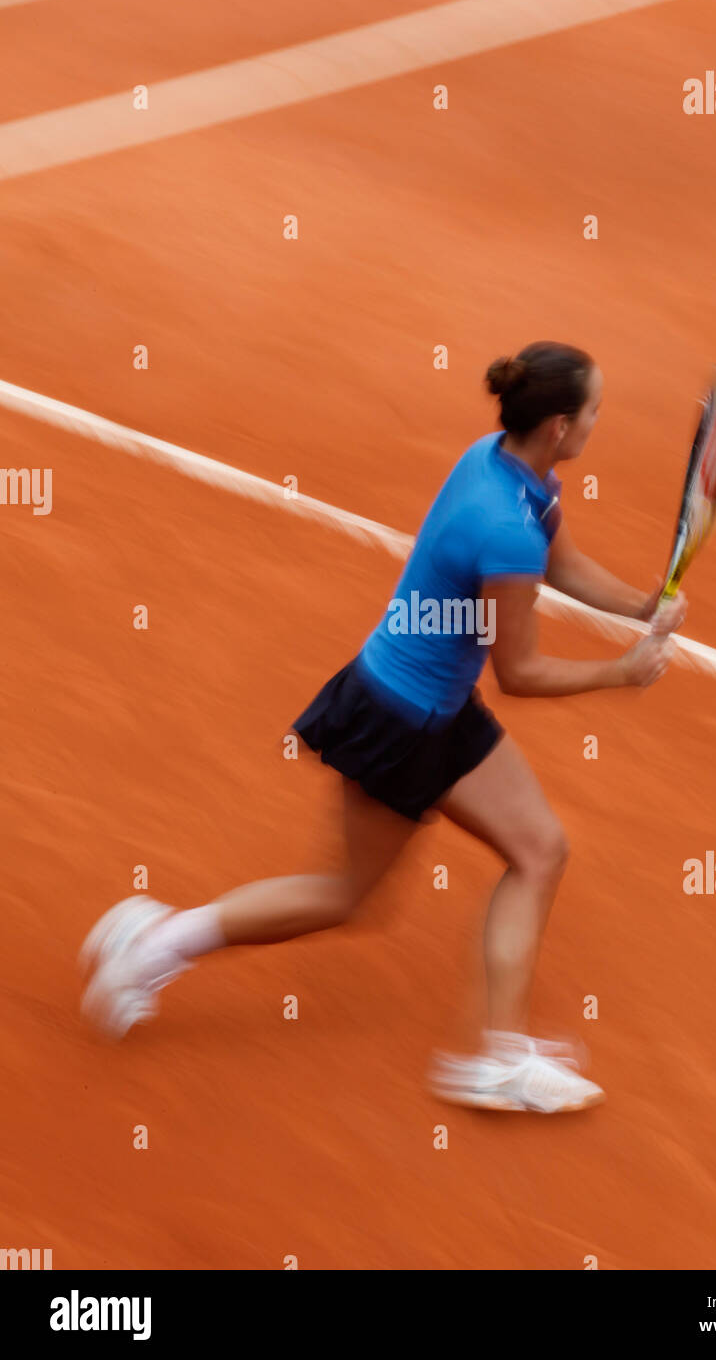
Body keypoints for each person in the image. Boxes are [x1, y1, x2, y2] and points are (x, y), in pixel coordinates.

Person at [80, 340, 684, 1114]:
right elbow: (520, 673)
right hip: (401, 719)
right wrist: (621, 673)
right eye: (596, 410)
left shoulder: (504, 465)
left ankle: (500, 1056)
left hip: (434, 704)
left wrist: (641, 605)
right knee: (344, 895)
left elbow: (558, 565)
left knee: (539, 851)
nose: (601, 421)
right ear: (561, 425)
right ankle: (156, 945)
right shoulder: (505, 527)